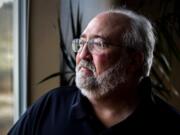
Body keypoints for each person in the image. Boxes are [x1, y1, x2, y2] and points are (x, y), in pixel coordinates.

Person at [8, 8, 180, 135]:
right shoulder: (50, 106)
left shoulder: (169, 125)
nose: (82, 55)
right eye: (81, 43)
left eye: (98, 44)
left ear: (134, 60)